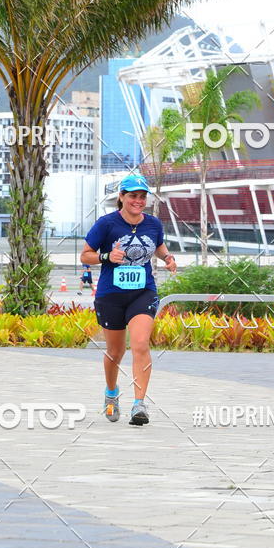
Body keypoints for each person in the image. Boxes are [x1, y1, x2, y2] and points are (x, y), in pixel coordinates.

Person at [80, 174, 177, 426]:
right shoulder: (106, 224)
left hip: (142, 292)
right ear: (121, 197)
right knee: (115, 351)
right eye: (133, 196)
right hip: (110, 295)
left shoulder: (154, 224)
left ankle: (139, 404)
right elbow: (85, 255)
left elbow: (159, 245)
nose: (138, 201)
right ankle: (111, 393)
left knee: (141, 343)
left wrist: (167, 258)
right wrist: (106, 257)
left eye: (142, 196)